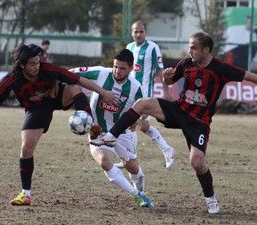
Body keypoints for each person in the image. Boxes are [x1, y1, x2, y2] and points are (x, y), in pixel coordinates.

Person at [90, 31, 257, 214]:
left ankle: (211, 200)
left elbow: (251, 77)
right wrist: (167, 77)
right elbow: (169, 80)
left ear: (206, 50)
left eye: (193, 47)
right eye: (189, 46)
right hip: (179, 110)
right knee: (142, 104)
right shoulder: (187, 63)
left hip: (199, 122)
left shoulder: (222, 69)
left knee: (197, 163)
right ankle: (111, 137)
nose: (189, 50)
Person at [0, 43, 118, 206]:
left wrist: (103, 93)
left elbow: (80, 80)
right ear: (22, 65)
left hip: (56, 97)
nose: (37, 66)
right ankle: (26, 194)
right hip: (36, 110)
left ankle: (92, 129)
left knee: (73, 86)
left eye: (38, 62)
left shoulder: (47, 69)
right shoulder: (12, 78)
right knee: (26, 148)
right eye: (32, 64)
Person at [71, 49, 154, 208]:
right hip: (97, 130)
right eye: (115, 66)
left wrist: (135, 121)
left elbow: (141, 109)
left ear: (131, 69)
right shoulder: (101, 73)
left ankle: (139, 185)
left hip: (120, 132)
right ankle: (137, 195)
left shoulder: (135, 88)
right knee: (104, 161)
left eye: (122, 68)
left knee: (132, 166)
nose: (117, 71)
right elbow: (72, 73)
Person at [124, 21, 175, 170]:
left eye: (141, 31)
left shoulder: (152, 47)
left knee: (132, 124)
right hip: (130, 92)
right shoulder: (129, 47)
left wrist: (166, 92)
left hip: (144, 93)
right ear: (131, 33)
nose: (138, 34)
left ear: (145, 32)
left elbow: (160, 71)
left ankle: (129, 158)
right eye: (135, 32)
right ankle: (167, 149)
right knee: (143, 126)